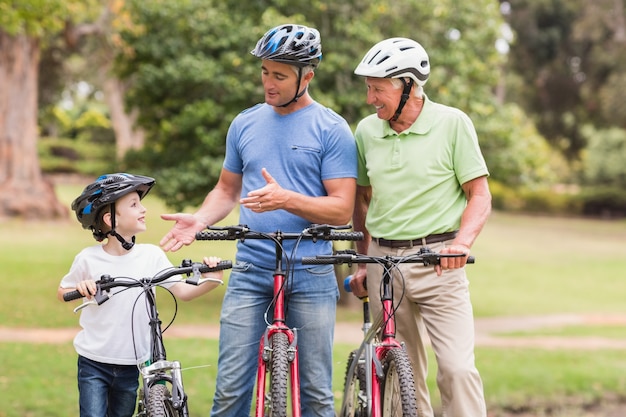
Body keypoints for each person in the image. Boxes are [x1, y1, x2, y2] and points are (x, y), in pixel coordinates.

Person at [159, 24, 356, 417]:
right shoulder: (245, 123)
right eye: (265, 72)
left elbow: (342, 210)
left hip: (312, 271)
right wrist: (200, 219)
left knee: (316, 395)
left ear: (307, 76)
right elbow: (226, 190)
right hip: (251, 268)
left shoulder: (332, 129)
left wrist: (288, 199)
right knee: (230, 393)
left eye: (279, 76)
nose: (268, 83)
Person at [348, 37, 492, 417]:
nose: (370, 98)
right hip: (383, 264)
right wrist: (362, 263)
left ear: (408, 85)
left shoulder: (452, 124)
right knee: (399, 374)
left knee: (458, 371)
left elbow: (479, 195)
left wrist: (462, 243)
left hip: (439, 261)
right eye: (368, 87)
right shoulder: (365, 131)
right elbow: (361, 201)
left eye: (377, 88)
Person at [57, 173, 224, 417]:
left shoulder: (150, 256)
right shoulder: (88, 258)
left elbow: (183, 291)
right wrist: (81, 287)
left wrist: (215, 277)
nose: (143, 209)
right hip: (94, 362)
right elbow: (63, 292)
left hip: (132, 363)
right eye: (134, 205)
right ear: (110, 218)